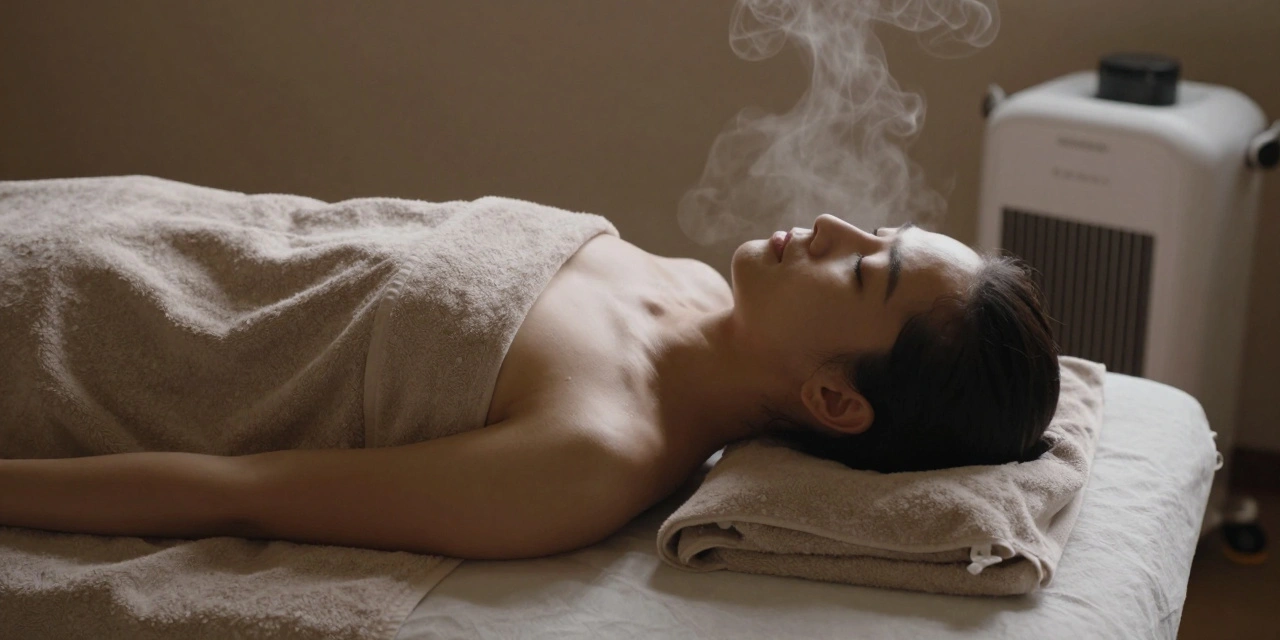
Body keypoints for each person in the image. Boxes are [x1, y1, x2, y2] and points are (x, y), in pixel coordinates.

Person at [0, 211, 1058, 562]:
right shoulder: (690, 284)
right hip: (141, 223)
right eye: (877, 228)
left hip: (82, 330)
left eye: (864, 270)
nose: (832, 227)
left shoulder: (586, 458)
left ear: (835, 401)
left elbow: (241, 492)